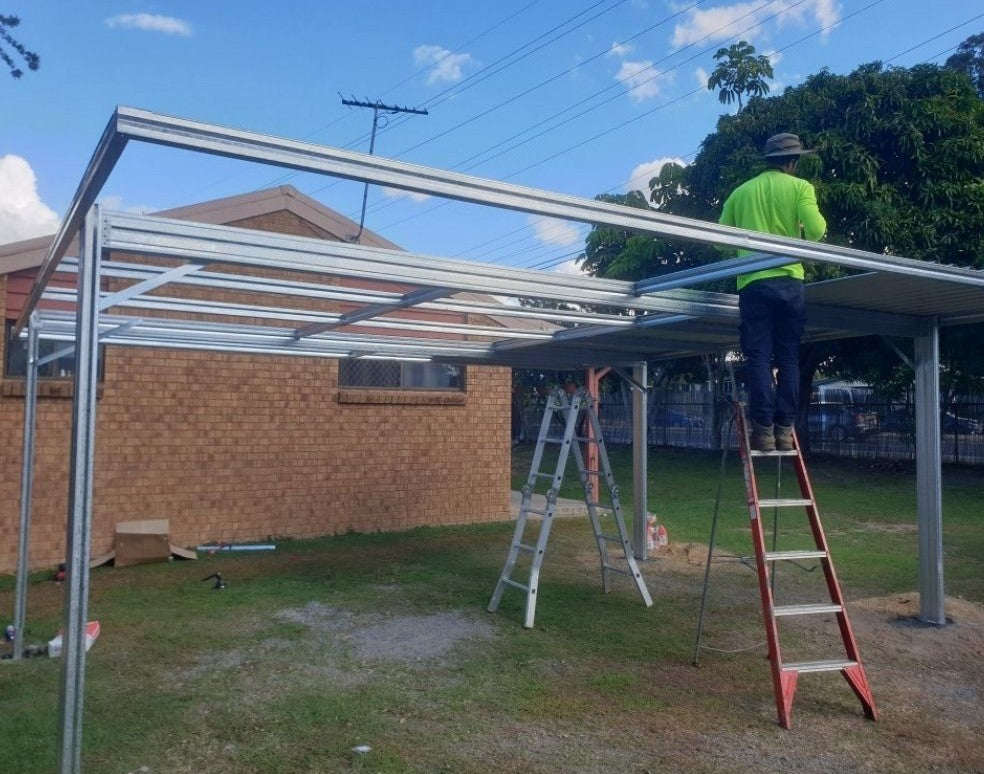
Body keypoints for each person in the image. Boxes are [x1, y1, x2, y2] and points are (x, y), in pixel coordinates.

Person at [719, 133, 827, 452]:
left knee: (758, 357)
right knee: (788, 357)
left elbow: (719, 237)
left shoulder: (741, 192)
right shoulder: (800, 187)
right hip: (790, 282)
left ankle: (763, 429)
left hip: (753, 284)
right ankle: (784, 428)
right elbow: (817, 230)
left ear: (767, 160)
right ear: (792, 162)